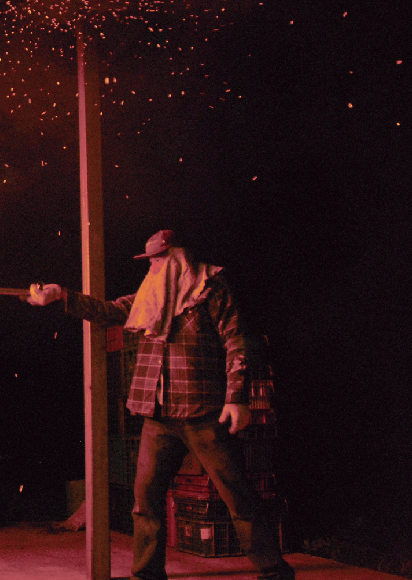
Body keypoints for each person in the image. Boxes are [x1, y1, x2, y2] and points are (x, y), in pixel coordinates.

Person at [26, 229, 294, 580]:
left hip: (203, 413)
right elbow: (109, 311)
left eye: (158, 258)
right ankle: (147, 573)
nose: (152, 265)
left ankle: (274, 572)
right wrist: (61, 296)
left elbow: (237, 342)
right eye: (150, 260)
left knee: (237, 497)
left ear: (178, 257)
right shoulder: (150, 294)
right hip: (158, 415)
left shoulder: (211, 288)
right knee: (146, 500)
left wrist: (236, 398)